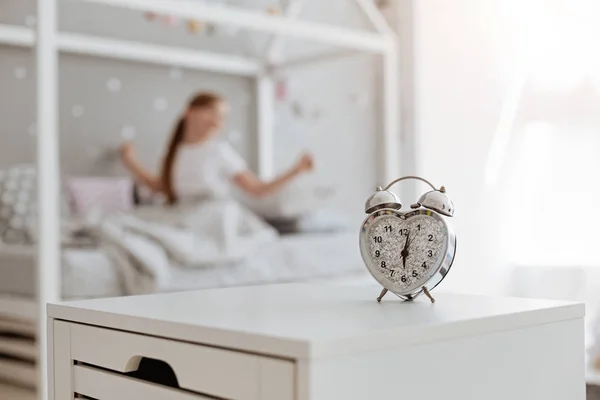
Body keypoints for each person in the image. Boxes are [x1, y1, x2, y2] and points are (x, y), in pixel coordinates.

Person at [120, 92, 314, 205]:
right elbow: (162, 186)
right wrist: (130, 162)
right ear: (189, 112)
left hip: (212, 219)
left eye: (222, 117)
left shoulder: (219, 151)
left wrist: (296, 171)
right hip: (181, 216)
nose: (217, 122)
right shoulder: (175, 153)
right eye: (212, 113)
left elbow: (257, 189)